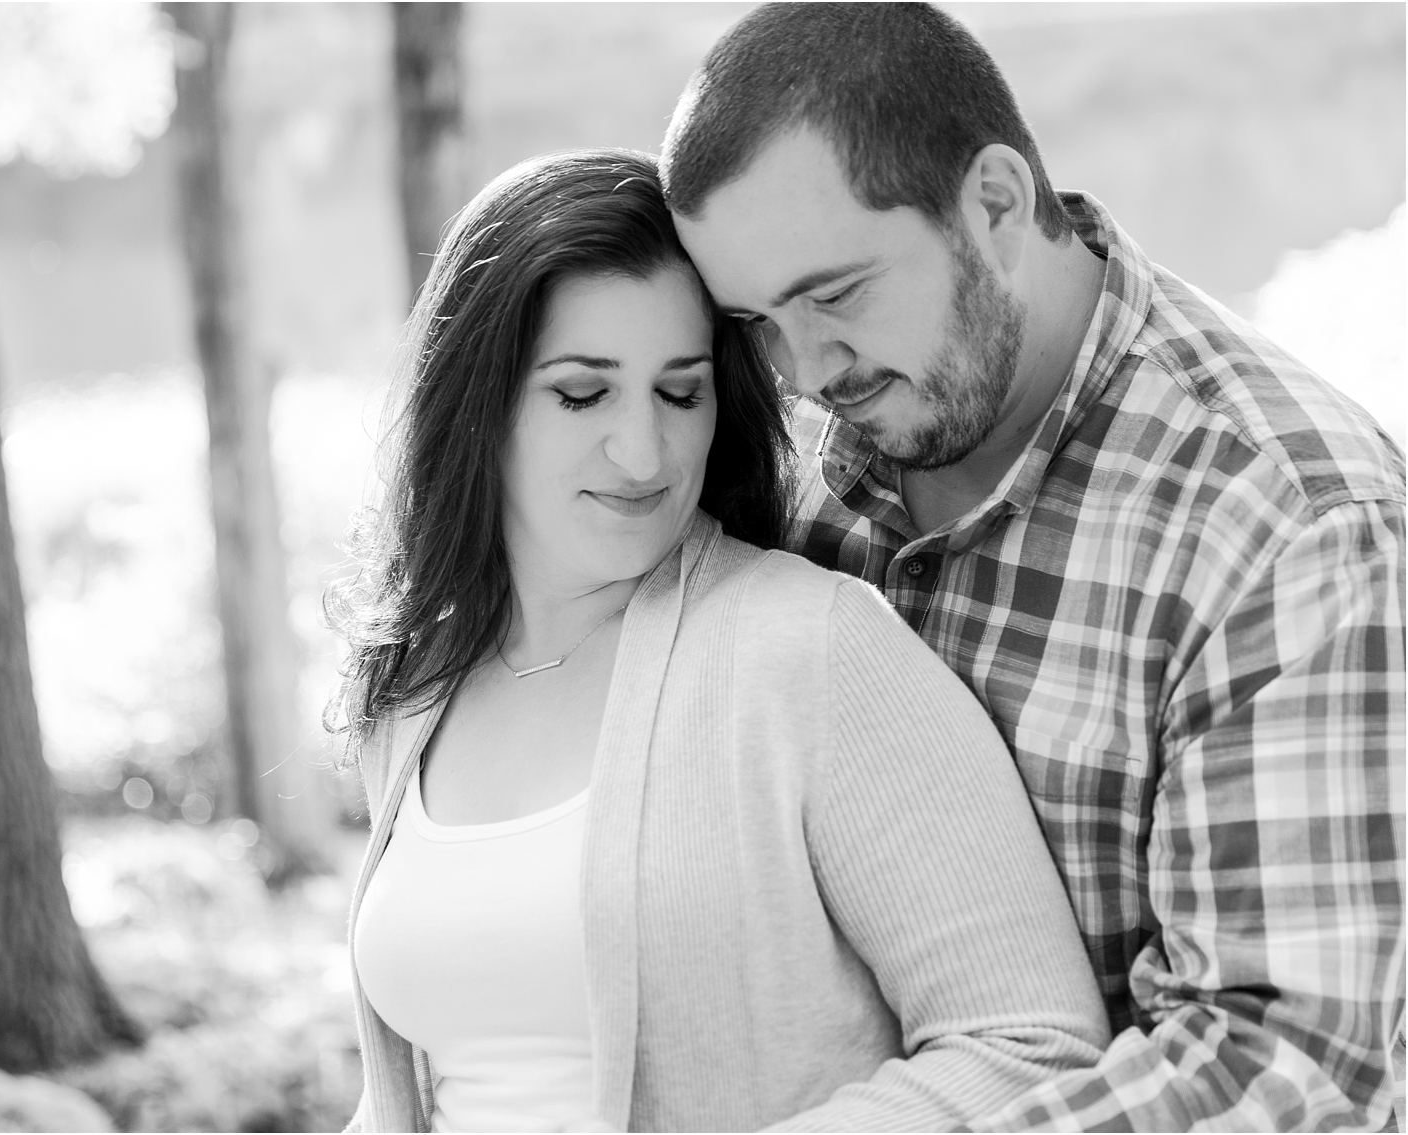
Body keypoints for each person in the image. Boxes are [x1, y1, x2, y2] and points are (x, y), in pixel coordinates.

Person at [660, 4, 1406, 1130]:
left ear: (997, 204)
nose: (803, 368)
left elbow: (1282, 1066)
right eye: (755, 319)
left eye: (834, 293)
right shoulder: (790, 459)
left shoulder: (1288, 525)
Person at [329, 149, 1109, 1133]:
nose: (643, 453)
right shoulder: (418, 686)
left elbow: (1028, 1042)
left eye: (679, 391)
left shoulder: (806, 650)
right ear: (473, 405)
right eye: (581, 394)